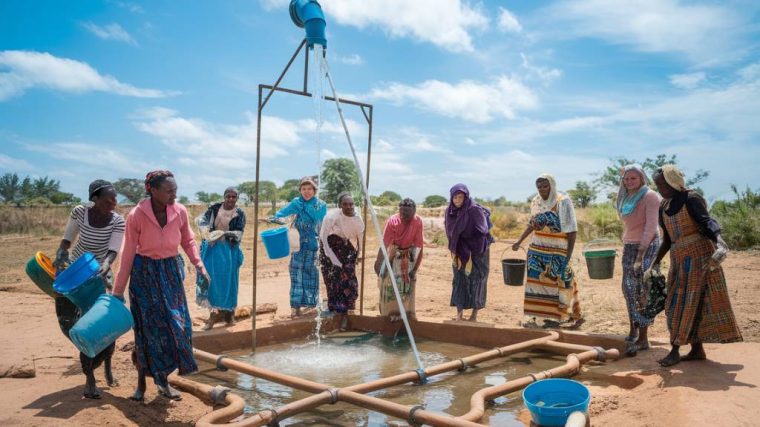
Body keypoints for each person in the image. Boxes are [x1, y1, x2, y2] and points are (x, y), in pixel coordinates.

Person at [113, 170, 209, 401]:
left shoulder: (180, 210)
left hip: (170, 272)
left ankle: (164, 381)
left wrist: (200, 266)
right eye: (168, 190)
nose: (173, 194)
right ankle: (141, 386)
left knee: (178, 327)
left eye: (175, 190)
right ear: (152, 190)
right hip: (144, 275)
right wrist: (117, 291)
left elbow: (187, 240)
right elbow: (127, 253)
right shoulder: (136, 215)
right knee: (147, 332)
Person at [647, 165, 742, 367]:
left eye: (663, 183)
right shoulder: (664, 206)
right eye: (658, 185)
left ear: (673, 180)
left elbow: (707, 222)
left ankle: (674, 350)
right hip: (679, 260)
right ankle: (697, 350)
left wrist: (719, 241)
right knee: (675, 304)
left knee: (690, 303)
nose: (661, 188)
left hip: (701, 260)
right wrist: (655, 263)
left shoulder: (691, 198)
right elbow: (667, 240)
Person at [52, 179, 125, 399]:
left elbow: (113, 250)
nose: (114, 202)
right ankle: (91, 371)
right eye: (108, 198)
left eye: (115, 197)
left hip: (101, 273)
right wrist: (61, 254)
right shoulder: (80, 212)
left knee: (101, 324)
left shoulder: (118, 221)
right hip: (76, 273)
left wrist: (106, 265)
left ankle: (97, 374)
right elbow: (67, 240)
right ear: (95, 199)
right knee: (75, 325)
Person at [512, 174, 582, 327]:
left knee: (560, 281)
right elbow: (532, 224)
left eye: (545, 186)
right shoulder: (536, 202)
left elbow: (572, 231)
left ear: (552, 185)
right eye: (539, 187)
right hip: (537, 249)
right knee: (536, 282)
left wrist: (567, 256)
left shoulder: (563, 202)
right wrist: (519, 241)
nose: (542, 190)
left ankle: (560, 317)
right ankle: (537, 316)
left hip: (557, 250)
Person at [616, 164, 661, 355]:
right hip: (630, 245)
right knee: (628, 288)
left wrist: (641, 254)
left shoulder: (650, 196)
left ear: (642, 178)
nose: (629, 181)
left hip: (647, 246)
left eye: (633, 178)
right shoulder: (625, 197)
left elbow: (651, 227)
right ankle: (633, 328)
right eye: (626, 178)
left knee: (643, 290)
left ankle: (643, 338)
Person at [273, 177, 327, 318]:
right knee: (296, 274)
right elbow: (281, 214)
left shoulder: (321, 205)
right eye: (304, 189)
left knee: (311, 274)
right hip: (297, 244)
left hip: (313, 245)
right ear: (300, 190)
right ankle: (295, 307)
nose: (307, 192)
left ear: (314, 190)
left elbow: (320, 221)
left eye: (310, 189)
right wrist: (274, 218)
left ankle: (311, 305)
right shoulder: (296, 202)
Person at [196, 187, 245, 330]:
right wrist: (206, 231)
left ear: (237, 198)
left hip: (229, 251)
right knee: (211, 280)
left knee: (229, 282)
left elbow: (239, 233)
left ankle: (229, 314)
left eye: (234, 197)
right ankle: (212, 315)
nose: (231, 199)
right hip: (212, 249)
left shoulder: (239, 213)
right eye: (228, 196)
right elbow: (202, 220)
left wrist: (223, 233)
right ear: (224, 197)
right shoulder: (214, 208)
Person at [445, 184, 494, 322]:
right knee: (459, 280)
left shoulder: (474, 210)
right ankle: (459, 314)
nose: (457, 200)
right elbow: (450, 231)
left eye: (460, 197)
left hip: (478, 250)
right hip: (459, 250)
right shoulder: (449, 211)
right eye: (455, 197)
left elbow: (483, 230)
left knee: (477, 280)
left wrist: (469, 240)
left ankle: (474, 315)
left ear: (466, 197)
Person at [319, 193, 364, 330]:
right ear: (340, 206)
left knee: (349, 277)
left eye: (351, 204)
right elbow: (323, 237)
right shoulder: (331, 216)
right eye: (345, 204)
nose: (349, 206)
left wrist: (358, 254)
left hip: (344, 246)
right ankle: (335, 308)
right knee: (332, 278)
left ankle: (347, 309)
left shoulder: (357, 218)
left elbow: (360, 237)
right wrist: (332, 260)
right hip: (329, 246)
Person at [374, 198, 424, 321]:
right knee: (389, 283)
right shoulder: (393, 221)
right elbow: (384, 244)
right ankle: (388, 313)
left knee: (407, 285)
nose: (405, 217)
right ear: (399, 211)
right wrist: (380, 263)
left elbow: (419, 246)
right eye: (403, 213)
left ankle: (406, 314)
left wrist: (415, 269)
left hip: (409, 254)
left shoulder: (417, 222)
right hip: (394, 253)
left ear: (414, 212)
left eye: (408, 214)